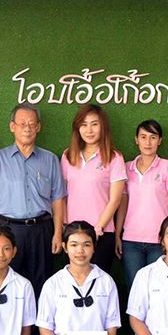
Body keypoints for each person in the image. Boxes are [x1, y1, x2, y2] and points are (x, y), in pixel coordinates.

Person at [0, 102, 66, 335]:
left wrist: (57, 232)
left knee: (41, 286)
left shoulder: (50, 159)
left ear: (39, 127)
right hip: (8, 231)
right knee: (10, 287)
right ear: (12, 127)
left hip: (42, 229)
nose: (27, 128)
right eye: (22, 124)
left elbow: (57, 199)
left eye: (32, 124)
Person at [114, 119, 168, 335]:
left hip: (158, 243)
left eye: (153, 137)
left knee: (159, 293)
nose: (148, 142)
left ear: (160, 141)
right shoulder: (126, 168)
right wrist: (119, 234)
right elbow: (122, 203)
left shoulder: (167, 168)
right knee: (136, 293)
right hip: (132, 240)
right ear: (136, 139)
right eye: (143, 137)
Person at [61, 104, 125, 273]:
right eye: (84, 124)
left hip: (102, 233)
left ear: (103, 127)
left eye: (94, 124)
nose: (89, 130)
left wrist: (98, 228)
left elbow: (115, 200)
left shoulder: (114, 157)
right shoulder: (68, 156)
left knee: (99, 284)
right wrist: (65, 226)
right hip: (73, 234)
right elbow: (62, 195)